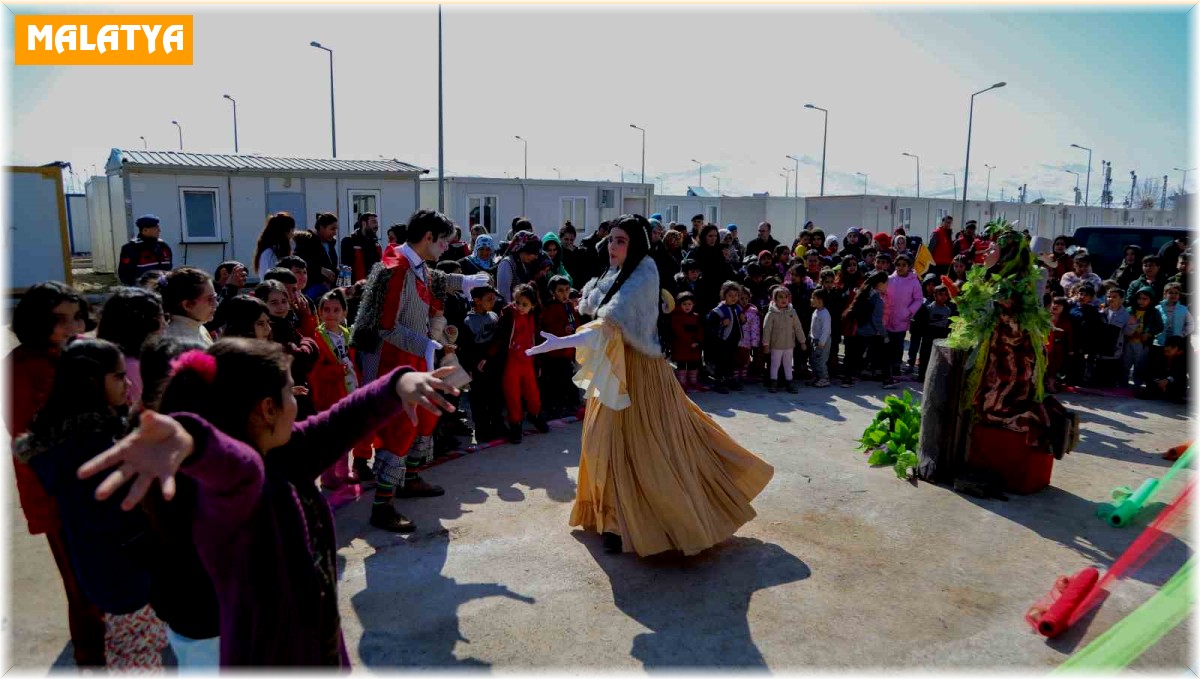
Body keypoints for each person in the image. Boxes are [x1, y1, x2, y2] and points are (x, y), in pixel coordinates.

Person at [76, 339, 460, 666]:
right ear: (266, 408)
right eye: (291, 390)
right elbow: (240, 476)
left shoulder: (282, 450)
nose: (297, 400)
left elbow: (341, 422)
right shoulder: (219, 490)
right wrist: (197, 443)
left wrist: (400, 383)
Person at [525, 214, 774, 556]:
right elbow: (598, 315)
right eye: (611, 239)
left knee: (648, 446)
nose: (613, 246)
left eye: (621, 240)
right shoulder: (611, 273)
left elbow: (609, 324)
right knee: (604, 442)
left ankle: (639, 522)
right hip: (614, 368)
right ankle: (611, 518)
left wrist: (561, 342)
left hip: (640, 371)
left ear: (636, 244)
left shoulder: (644, 273)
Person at [15, 338, 170, 669]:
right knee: (138, 654)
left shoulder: (73, 440)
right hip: (126, 574)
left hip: (106, 570)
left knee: (128, 648)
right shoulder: (91, 449)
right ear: (90, 383)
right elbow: (113, 516)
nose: (128, 383)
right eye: (118, 376)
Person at [351, 209, 490, 532]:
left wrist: (463, 281)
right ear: (428, 237)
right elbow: (386, 327)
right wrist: (427, 345)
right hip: (392, 361)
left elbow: (432, 279)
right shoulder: (395, 268)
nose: (446, 248)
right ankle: (382, 504)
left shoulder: (411, 263)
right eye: (443, 242)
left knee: (425, 418)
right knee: (400, 428)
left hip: (412, 356)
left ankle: (410, 478)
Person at [5, 282, 106, 667]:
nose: (73, 326)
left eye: (78, 316)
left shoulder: (79, 355)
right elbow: (27, 439)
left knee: (103, 582)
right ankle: (90, 662)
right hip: (59, 497)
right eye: (60, 319)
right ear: (35, 321)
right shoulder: (21, 365)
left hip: (97, 488)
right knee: (83, 591)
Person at [310, 289, 372, 489]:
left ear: (345, 313)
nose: (331, 314)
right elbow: (315, 371)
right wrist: (337, 371)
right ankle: (328, 476)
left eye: (336, 310)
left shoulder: (347, 334)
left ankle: (343, 471)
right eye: (326, 309)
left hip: (349, 390)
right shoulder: (316, 337)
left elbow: (354, 362)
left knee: (345, 436)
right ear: (319, 312)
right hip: (329, 394)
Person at [488, 284, 549, 443]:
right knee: (512, 395)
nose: (520, 307)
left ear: (533, 305)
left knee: (533, 393)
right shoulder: (509, 315)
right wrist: (486, 357)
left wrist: (539, 363)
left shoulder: (534, 317)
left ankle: (535, 415)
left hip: (528, 362)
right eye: (517, 303)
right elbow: (499, 338)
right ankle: (515, 425)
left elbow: (538, 339)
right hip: (511, 363)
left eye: (525, 304)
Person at [97, 287, 166, 406]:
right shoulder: (132, 367)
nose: (165, 324)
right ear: (144, 323)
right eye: (161, 317)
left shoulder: (104, 356)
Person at [459, 286, 504, 442]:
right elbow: (465, 348)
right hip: (477, 365)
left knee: (496, 396)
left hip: (493, 362)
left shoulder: (494, 316)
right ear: (477, 301)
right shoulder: (468, 321)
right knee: (479, 399)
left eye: (494, 298)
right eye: (489, 299)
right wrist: (469, 368)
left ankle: (497, 424)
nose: (493, 302)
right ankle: (482, 430)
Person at [538, 275, 580, 419]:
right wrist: (563, 328)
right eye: (560, 290)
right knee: (555, 382)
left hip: (567, 351)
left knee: (567, 379)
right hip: (554, 353)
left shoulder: (569, 306)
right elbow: (547, 329)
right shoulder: (549, 308)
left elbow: (576, 323)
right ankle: (553, 408)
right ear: (552, 292)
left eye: (567, 290)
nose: (565, 293)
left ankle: (566, 405)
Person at [884, 253, 923, 375]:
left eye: (904, 265)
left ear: (909, 266)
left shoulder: (914, 282)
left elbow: (918, 299)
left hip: (902, 319)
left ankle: (896, 365)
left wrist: (909, 311)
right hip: (888, 317)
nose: (900, 267)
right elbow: (883, 294)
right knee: (887, 343)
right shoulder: (890, 279)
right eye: (898, 265)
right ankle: (887, 366)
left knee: (899, 344)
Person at [760, 286, 804, 393]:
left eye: (786, 297)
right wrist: (766, 344)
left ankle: (789, 383)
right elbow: (766, 330)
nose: (784, 299)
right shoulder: (771, 314)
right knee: (775, 365)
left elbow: (798, 327)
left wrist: (802, 341)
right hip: (776, 345)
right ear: (774, 299)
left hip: (789, 345)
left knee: (788, 365)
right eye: (780, 297)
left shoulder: (792, 312)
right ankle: (773, 383)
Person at [162, 267, 217, 347]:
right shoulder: (179, 343)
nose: (216, 303)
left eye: (215, 297)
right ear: (187, 305)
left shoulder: (199, 327)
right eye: (210, 299)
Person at [706, 281, 744, 394]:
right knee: (721, 361)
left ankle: (729, 379)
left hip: (733, 340)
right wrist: (721, 323)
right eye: (730, 296)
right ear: (724, 295)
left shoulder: (737, 307)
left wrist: (743, 319)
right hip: (722, 341)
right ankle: (719, 382)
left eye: (736, 296)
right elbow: (710, 323)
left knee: (731, 361)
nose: (733, 298)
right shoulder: (719, 309)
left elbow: (739, 322)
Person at [293, 212, 340, 299]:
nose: (335, 233)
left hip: (327, 290)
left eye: (335, 229)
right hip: (309, 291)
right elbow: (298, 264)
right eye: (332, 229)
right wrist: (320, 270)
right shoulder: (307, 243)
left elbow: (331, 267)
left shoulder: (330, 245)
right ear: (322, 227)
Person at [1093, 288, 1134, 387]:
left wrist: (1131, 325)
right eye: (1109, 296)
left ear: (1122, 299)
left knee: (1109, 381)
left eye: (1114, 297)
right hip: (1099, 350)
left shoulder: (1127, 315)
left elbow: (1128, 333)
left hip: (1114, 351)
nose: (1110, 299)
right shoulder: (1100, 311)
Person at [118, 215, 173, 286]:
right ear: (145, 230)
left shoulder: (164, 246)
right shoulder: (131, 248)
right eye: (156, 228)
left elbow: (168, 269)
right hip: (141, 292)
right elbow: (125, 275)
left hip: (163, 291)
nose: (159, 230)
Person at [1124, 287, 1163, 387]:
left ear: (1151, 300)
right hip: (1128, 341)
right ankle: (1123, 383)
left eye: (1145, 299)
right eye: (1139, 298)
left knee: (1140, 365)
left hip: (1142, 343)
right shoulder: (1130, 310)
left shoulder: (1154, 312)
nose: (1141, 301)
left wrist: (1149, 333)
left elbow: (1159, 327)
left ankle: (1137, 384)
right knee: (1125, 364)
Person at [668, 291, 705, 392]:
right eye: (684, 304)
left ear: (693, 304)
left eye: (689, 304)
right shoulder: (676, 317)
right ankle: (682, 383)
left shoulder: (696, 316)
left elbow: (700, 329)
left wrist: (698, 341)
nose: (687, 307)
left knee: (693, 364)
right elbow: (679, 332)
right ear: (679, 305)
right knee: (682, 364)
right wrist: (690, 342)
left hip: (694, 345)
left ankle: (693, 382)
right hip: (681, 346)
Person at [495, 230, 543, 305]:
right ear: (524, 250)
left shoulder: (526, 264)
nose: (536, 257)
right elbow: (504, 294)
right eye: (534, 253)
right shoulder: (507, 264)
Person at [1137, 335, 1189, 402]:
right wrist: (1159, 381)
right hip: (1158, 379)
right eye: (1166, 346)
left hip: (1172, 380)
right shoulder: (1156, 352)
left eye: (1172, 348)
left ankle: (1171, 394)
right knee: (1148, 391)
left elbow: (1180, 373)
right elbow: (1149, 370)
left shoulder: (1185, 357)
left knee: (1182, 382)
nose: (1166, 349)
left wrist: (1168, 380)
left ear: (1179, 351)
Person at [340, 212, 382, 284]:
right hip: (356, 289)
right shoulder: (349, 241)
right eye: (373, 222)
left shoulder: (376, 244)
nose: (376, 226)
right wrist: (344, 289)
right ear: (364, 223)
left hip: (372, 289)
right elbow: (345, 267)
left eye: (377, 223)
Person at [253, 212, 296, 277]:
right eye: (292, 230)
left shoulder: (271, 250)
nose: (293, 234)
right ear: (287, 231)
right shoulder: (270, 253)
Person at [1155, 282, 1193, 348]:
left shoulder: (1183, 309)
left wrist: (1182, 334)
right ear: (1165, 294)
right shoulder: (1157, 308)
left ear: (1179, 295)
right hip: (1159, 342)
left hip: (1175, 343)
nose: (1173, 295)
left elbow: (1191, 324)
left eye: (1176, 293)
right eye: (1170, 293)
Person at [806, 288, 831, 388]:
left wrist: (822, 342)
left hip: (822, 342)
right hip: (814, 340)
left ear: (820, 300)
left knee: (821, 361)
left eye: (813, 298)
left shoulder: (825, 314)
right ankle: (817, 377)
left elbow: (826, 330)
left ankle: (824, 378)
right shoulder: (816, 311)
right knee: (814, 360)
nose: (811, 300)